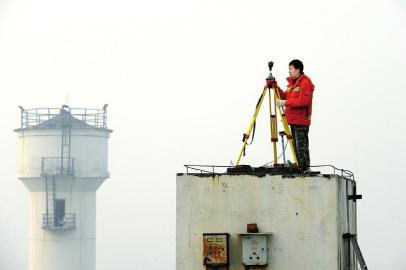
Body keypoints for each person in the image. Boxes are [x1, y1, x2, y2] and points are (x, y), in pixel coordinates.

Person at [266, 59, 315, 171]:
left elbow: (304, 101)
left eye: (291, 69)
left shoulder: (305, 82)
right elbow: (284, 96)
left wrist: (285, 103)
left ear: (298, 70)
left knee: (301, 146)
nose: (289, 71)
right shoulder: (292, 84)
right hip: (292, 119)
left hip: (301, 120)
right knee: (294, 147)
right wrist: (274, 85)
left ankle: (304, 168)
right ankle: (299, 166)